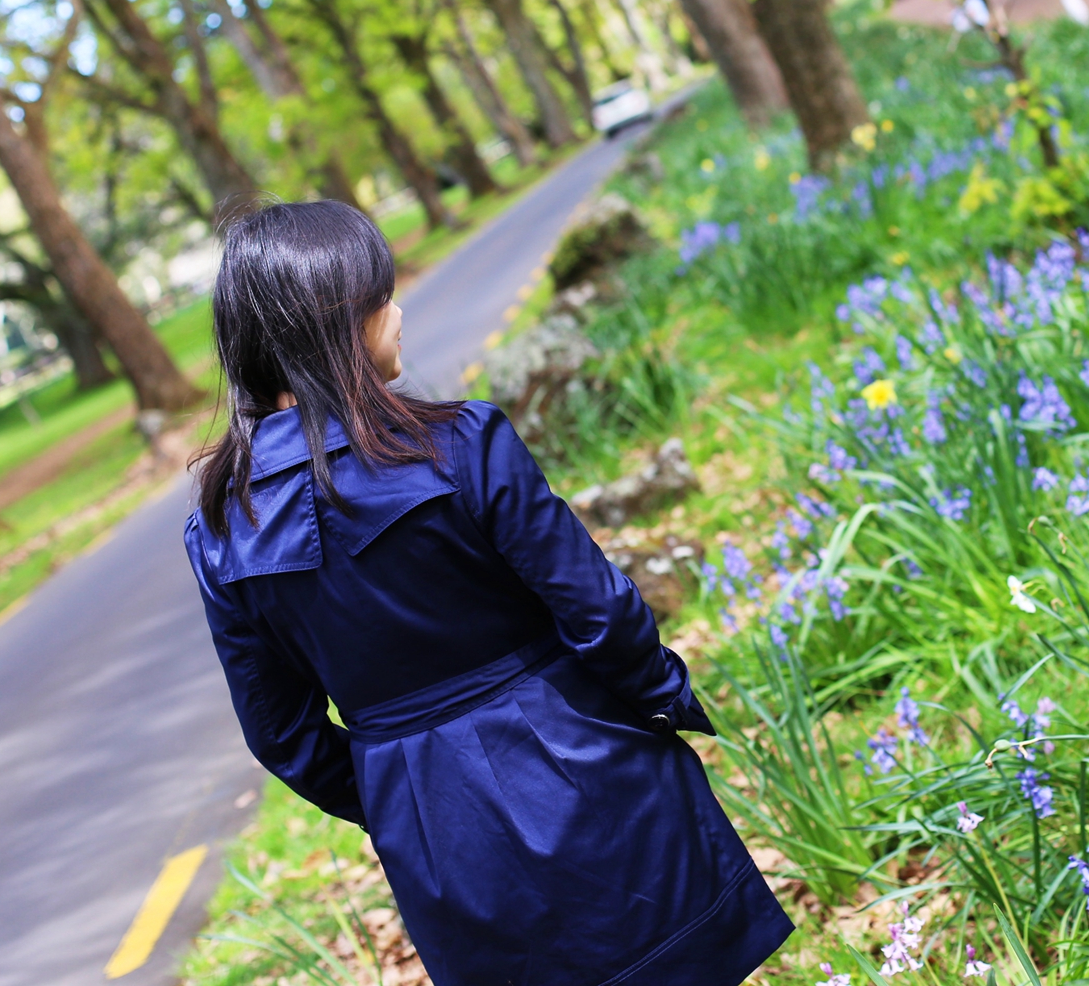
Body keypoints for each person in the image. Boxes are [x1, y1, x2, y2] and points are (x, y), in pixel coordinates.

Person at [183, 201, 792, 986]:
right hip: (586, 753)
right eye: (382, 297)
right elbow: (600, 611)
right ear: (337, 327)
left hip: (436, 829)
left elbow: (283, 737)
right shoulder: (458, 443)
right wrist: (660, 700)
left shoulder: (220, 530)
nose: (398, 314)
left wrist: (396, 788)